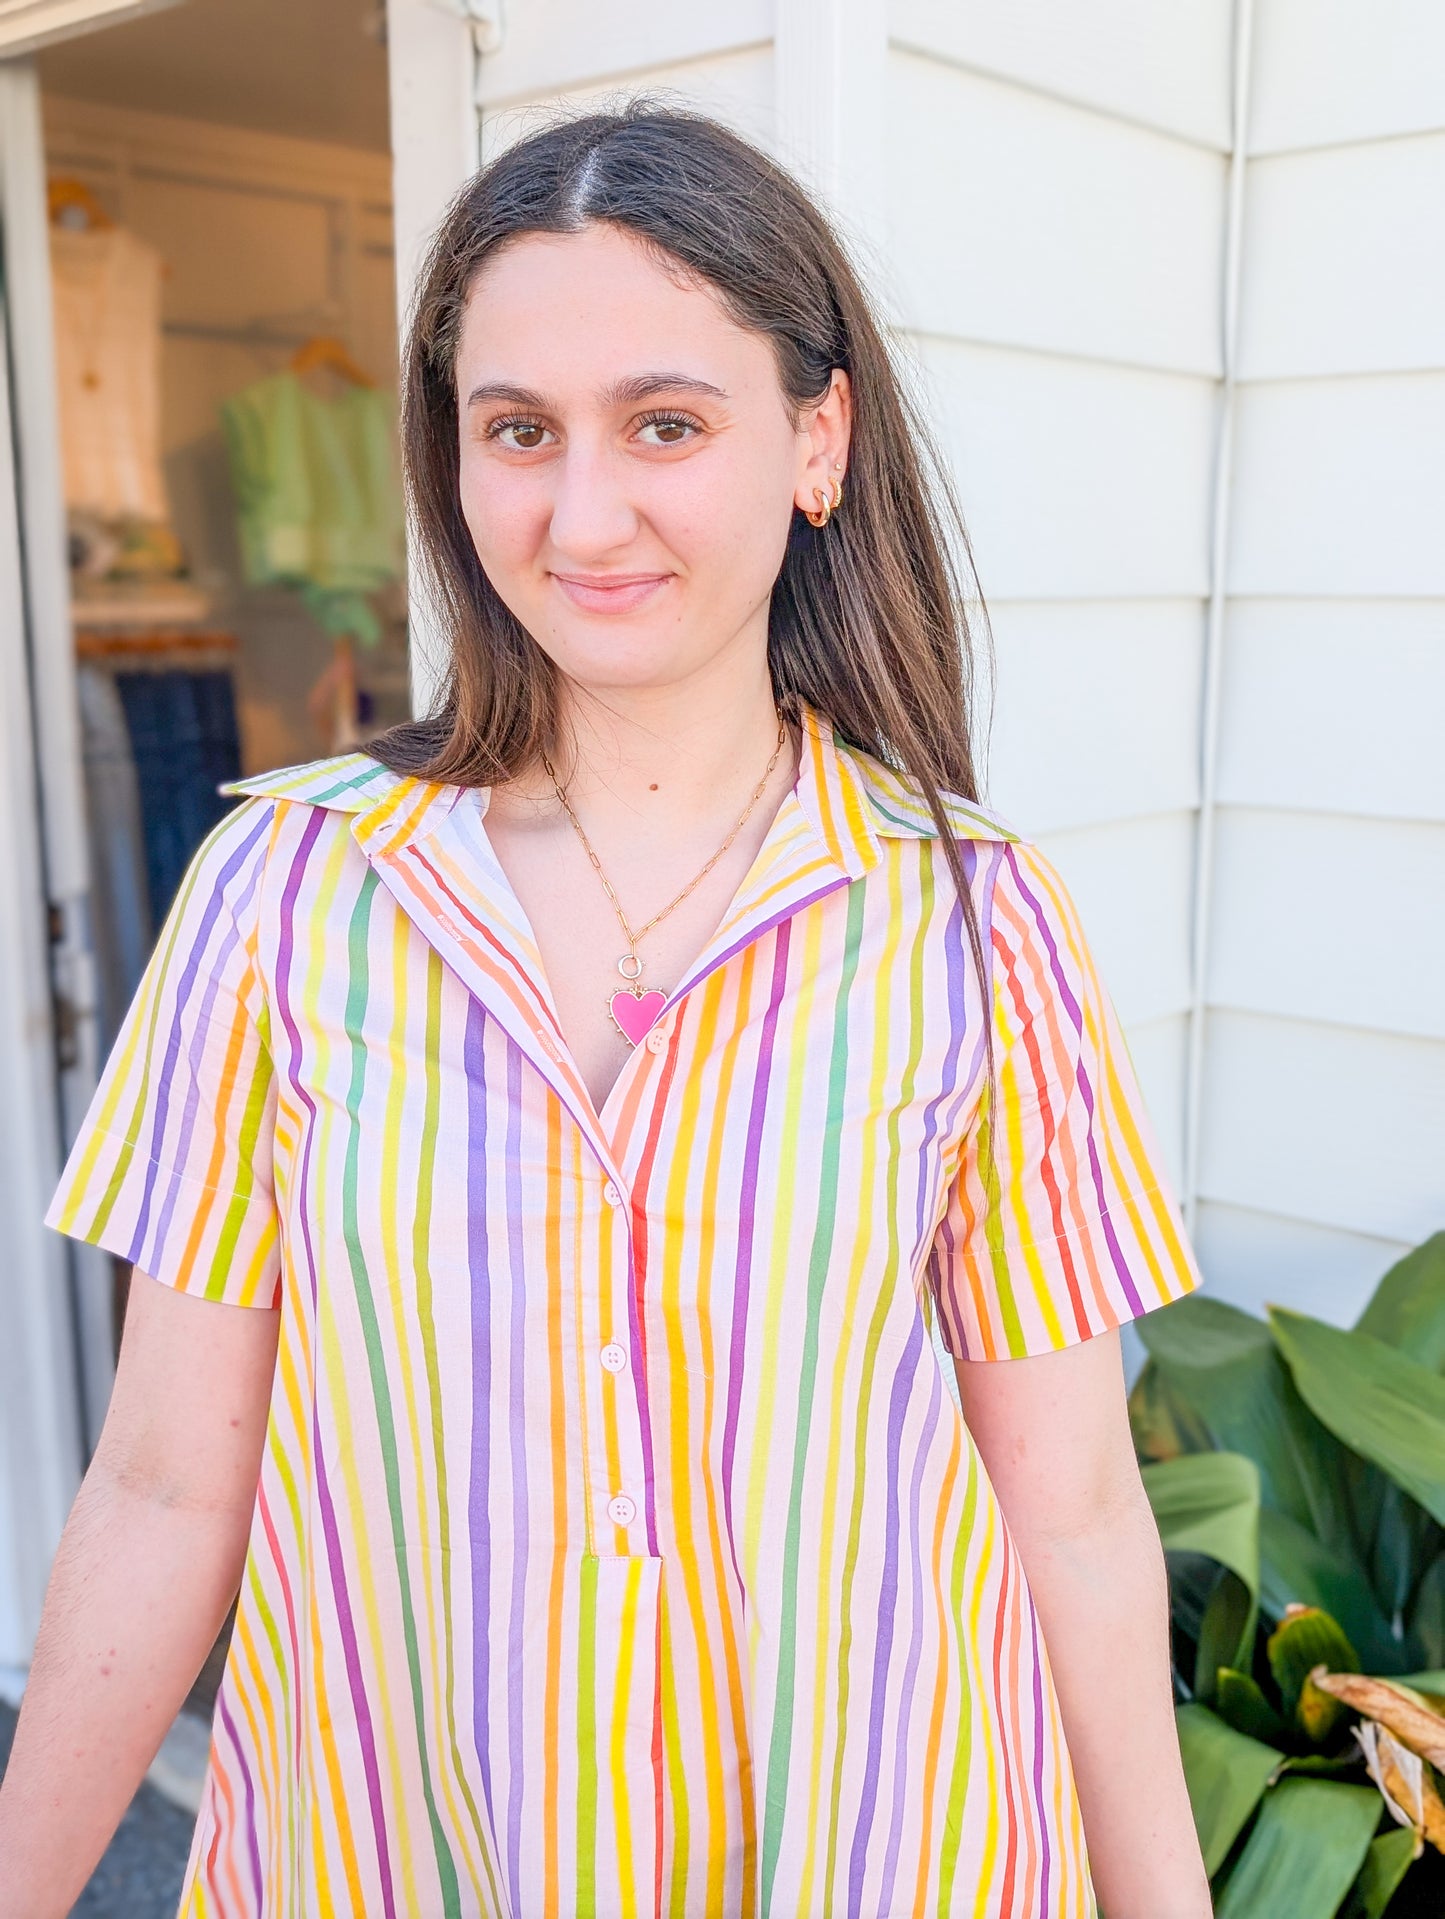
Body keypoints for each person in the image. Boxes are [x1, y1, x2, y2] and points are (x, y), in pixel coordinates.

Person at [0, 104, 1211, 1918]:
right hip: (398, 1859)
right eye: (517, 432)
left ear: (815, 439)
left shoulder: (979, 925)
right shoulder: (283, 896)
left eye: (663, 422)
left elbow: (1076, 1516)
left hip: (886, 1854)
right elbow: (171, 1486)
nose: (582, 514)